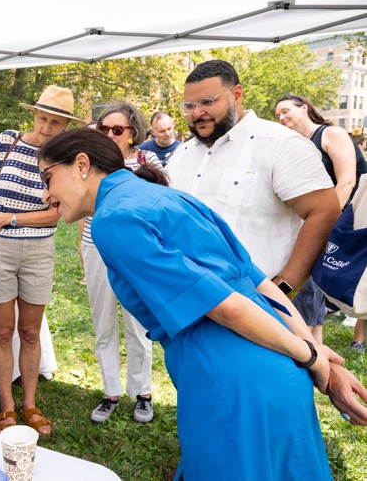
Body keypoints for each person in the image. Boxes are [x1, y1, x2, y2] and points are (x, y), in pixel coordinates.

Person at [38, 127, 363, 479]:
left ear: (82, 164)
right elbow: (257, 283)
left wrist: (314, 358)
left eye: (48, 178)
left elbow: (226, 307)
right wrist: (310, 352)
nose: (45, 195)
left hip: (229, 379)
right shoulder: (170, 196)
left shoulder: (113, 219)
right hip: (279, 370)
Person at [166, 60, 341, 324]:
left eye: (208, 102)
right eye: (189, 106)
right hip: (191, 308)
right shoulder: (183, 154)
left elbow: (325, 212)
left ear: (236, 94)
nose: (197, 113)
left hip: (260, 309)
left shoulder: (280, 144)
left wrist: (283, 288)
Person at [0, 85, 85, 436]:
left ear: (66, 126)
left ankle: (31, 403)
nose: (47, 127)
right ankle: (7, 406)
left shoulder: (65, 158)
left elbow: (55, 215)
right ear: (33, 114)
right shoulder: (8, 140)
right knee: (2, 331)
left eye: (56, 122)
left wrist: (9, 218)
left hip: (38, 250)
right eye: (43, 118)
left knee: (30, 332)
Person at [83, 101, 158, 424]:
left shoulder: (146, 160)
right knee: (104, 324)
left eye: (117, 129)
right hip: (95, 246)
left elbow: (158, 204)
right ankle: (110, 391)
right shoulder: (88, 162)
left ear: (133, 132)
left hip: (135, 250)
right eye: (103, 129)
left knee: (138, 325)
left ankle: (142, 392)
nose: (109, 134)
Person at [275, 93, 367, 343]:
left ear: (304, 107)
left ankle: (312, 340)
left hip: (347, 224)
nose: (281, 117)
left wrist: (323, 223)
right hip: (316, 222)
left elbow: (347, 181)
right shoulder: (296, 143)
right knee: (309, 286)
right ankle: (311, 341)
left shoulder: (330, 134)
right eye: (278, 115)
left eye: (286, 111)